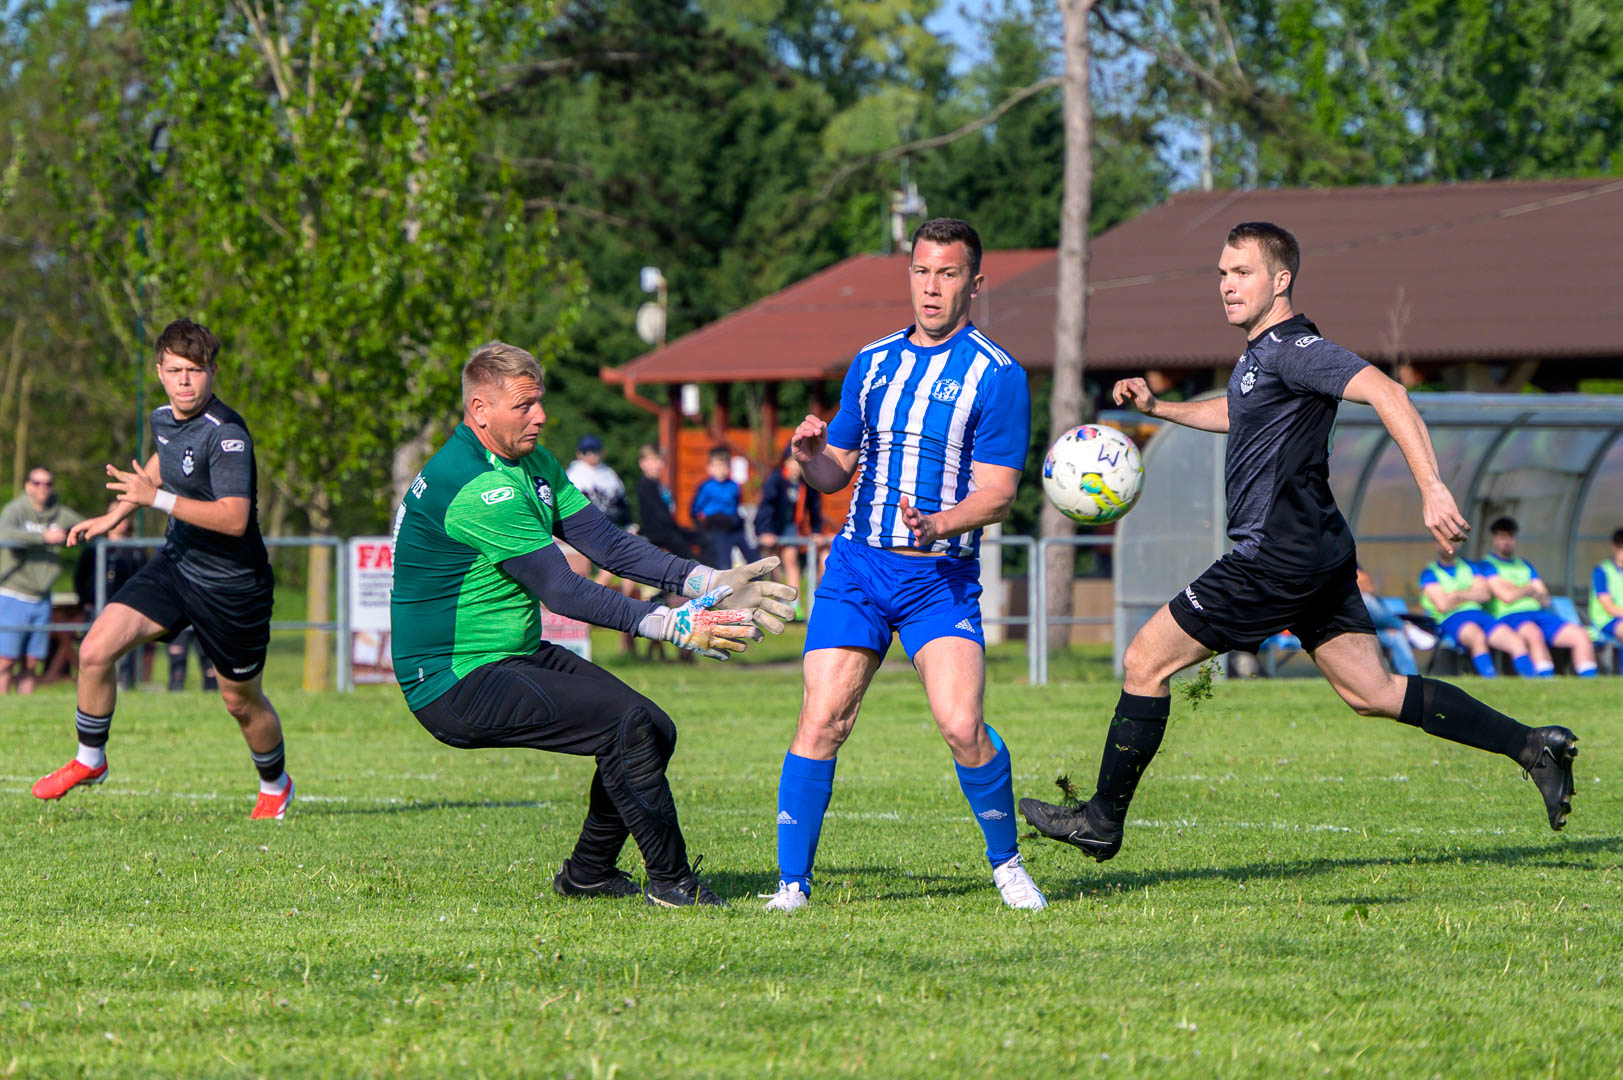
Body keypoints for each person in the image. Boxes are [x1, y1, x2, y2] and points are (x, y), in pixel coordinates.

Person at [1019, 221, 1580, 864]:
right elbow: (1239, 411)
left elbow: (1389, 392)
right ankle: (1533, 746)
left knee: (1145, 661)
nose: (1227, 286)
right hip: (1315, 552)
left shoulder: (1295, 349)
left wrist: (1432, 488)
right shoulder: (1260, 357)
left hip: (1274, 558)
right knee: (1372, 691)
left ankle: (1101, 820)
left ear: (1280, 280)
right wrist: (1161, 408)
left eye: (1243, 273)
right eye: (1222, 273)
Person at [388, 342, 797, 907]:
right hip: (453, 678)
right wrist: (670, 624)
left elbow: (607, 544)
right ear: (479, 410)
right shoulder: (479, 487)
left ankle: (588, 873)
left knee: (653, 728)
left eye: (540, 402)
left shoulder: (530, 464)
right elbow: (562, 589)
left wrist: (709, 580)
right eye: (524, 406)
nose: (540, 416)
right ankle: (672, 882)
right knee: (626, 724)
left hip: (506, 655)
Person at [762, 217, 1046, 913]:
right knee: (822, 718)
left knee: (961, 725)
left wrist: (939, 523)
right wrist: (807, 458)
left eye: (947, 274)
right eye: (921, 271)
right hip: (857, 570)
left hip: (938, 580)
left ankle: (1007, 864)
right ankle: (792, 886)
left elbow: (998, 494)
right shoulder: (872, 362)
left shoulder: (998, 375)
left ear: (974, 283)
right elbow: (835, 473)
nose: (931, 287)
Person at [34, 318, 293, 819]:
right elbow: (163, 461)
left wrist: (155, 500)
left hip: (232, 588)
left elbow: (234, 519)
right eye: (175, 370)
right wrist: (113, 516)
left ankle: (275, 784)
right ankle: (90, 759)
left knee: (241, 702)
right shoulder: (162, 419)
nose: (184, 381)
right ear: (159, 372)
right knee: (95, 650)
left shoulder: (228, 435)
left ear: (213, 372)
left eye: (195, 370)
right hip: (176, 567)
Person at [1478, 517, 1597, 677]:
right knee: (1533, 633)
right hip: (1510, 616)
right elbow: (1506, 597)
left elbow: (1545, 599)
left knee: (1580, 635)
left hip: (1538, 614)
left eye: (1510, 536)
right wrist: (1529, 588)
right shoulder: (1487, 565)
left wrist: (1516, 588)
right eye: (1502, 536)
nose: (1507, 541)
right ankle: (1545, 679)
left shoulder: (1525, 564)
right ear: (1494, 539)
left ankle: (1590, 680)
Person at [0, 467, 84, 695]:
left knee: (31, 662)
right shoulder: (16, 510)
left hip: (42, 598)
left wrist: (70, 534)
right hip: (13, 595)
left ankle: (24, 709)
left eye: (47, 483)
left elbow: (86, 528)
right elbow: (3, 534)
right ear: (28, 486)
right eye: (37, 483)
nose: (42, 488)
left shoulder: (59, 513)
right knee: (5, 661)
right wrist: (42, 537)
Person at [1418, 540, 1535, 677]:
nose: (1448, 546)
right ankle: (1491, 679)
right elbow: (1443, 605)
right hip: (1451, 618)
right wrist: (1471, 593)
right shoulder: (1430, 573)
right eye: (1443, 542)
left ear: (1459, 544)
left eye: (1452, 542)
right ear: (1436, 544)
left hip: (1479, 614)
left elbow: (1485, 595)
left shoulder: (1471, 566)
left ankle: (1531, 680)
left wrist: (1457, 595)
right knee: (1477, 636)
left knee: (1516, 641)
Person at [72, 514, 147, 691]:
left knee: (125, 644)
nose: (118, 522)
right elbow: (80, 577)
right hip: (96, 606)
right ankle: (92, 687)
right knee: (93, 648)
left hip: (126, 607)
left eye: (123, 517)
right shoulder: (93, 549)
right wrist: (85, 600)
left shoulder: (135, 550)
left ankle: (125, 684)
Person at [756, 447, 822, 611]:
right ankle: (777, 601)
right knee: (773, 564)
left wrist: (816, 531)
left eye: (800, 463)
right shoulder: (776, 480)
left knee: (790, 557)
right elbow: (766, 507)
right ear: (785, 463)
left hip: (791, 528)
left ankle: (794, 603)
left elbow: (815, 509)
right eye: (793, 462)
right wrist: (766, 531)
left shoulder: (807, 483)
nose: (796, 467)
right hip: (772, 527)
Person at [690, 447, 755, 570]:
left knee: (751, 554)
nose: (721, 470)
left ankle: (757, 575)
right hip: (716, 527)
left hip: (732, 526)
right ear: (709, 468)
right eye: (717, 466)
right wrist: (699, 525)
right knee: (723, 559)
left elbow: (736, 504)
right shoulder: (707, 486)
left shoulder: (733, 486)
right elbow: (695, 509)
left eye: (724, 466)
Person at [634, 444, 700, 560]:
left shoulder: (659, 485)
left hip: (667, 529)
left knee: (699, 537)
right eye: (653, 460)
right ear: (642, 464)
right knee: (688, 556)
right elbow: (656, 515)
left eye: (660, 460)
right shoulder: (646, 485)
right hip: (657, 532)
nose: (658, 464)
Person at [1354, 565, 1420, 676]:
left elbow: (1368, 587)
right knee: (1366, 600)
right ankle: (1404, 627)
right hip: (1345, 629)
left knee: (1396, 636)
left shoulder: (1347, 560)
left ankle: (1412, 679)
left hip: (1371, 628)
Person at [565, 434, 632, 528]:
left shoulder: (609, 473)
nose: (591, 455)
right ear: (578, 454)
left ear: (602, 452)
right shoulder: (573, 474)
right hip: (585, 527)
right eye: (586, 452)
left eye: (594, 451)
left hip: (612, 525)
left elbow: (622, 502)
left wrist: (629, 524)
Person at [1589, 528, 1623, 651]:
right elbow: (1608, 606)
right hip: (1606, 620)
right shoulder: (1602, 571)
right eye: (1621, 548)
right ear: (1614, 547)